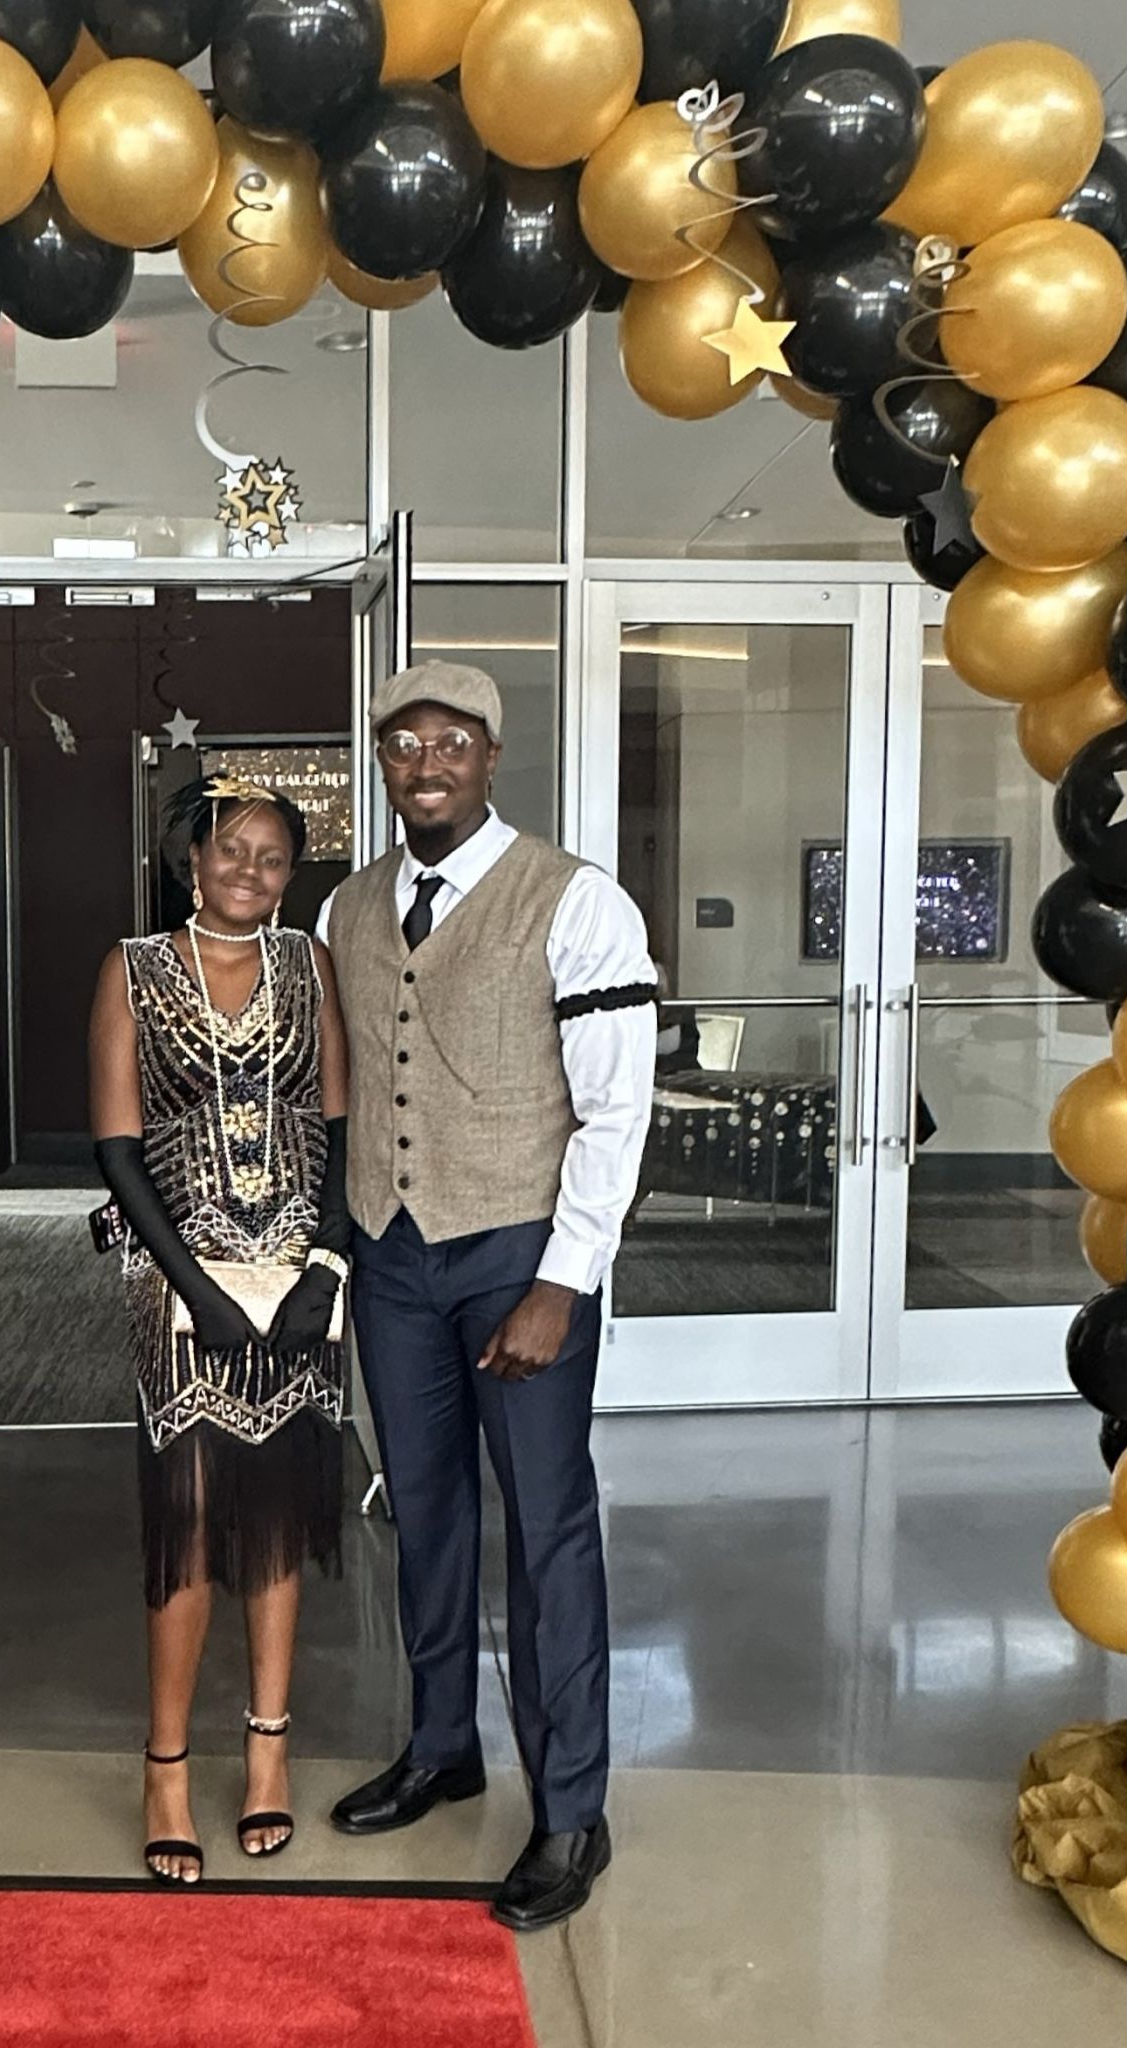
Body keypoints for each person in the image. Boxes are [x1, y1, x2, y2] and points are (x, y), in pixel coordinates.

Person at [318, 660, 656, 1934]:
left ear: (489, 755)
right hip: (393, 1253)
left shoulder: (574, 900)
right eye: (403, 743)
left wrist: (564, 1280)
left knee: (550, 1525)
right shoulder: (349, 905)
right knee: (424, 1513)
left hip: (519, 1252)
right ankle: (441, 1743)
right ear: (386, 762)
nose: (425, 763)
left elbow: (617, 1110)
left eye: (449, 740)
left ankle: (572, 1806)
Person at [89, 774, 353, 1887]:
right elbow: (115, 1142)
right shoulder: (134, 968)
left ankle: (267, 1757)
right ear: (189, 859)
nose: (249, 868)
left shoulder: (310, 964)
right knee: (193, 1522)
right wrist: (192, 1284)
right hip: (177, 1272)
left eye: (273, 855)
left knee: (278, 1521)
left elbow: (340, 1124)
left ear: (292, 875)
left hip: (298, 1270)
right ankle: (162, 1768)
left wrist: (326, 1264)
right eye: (230, 849)